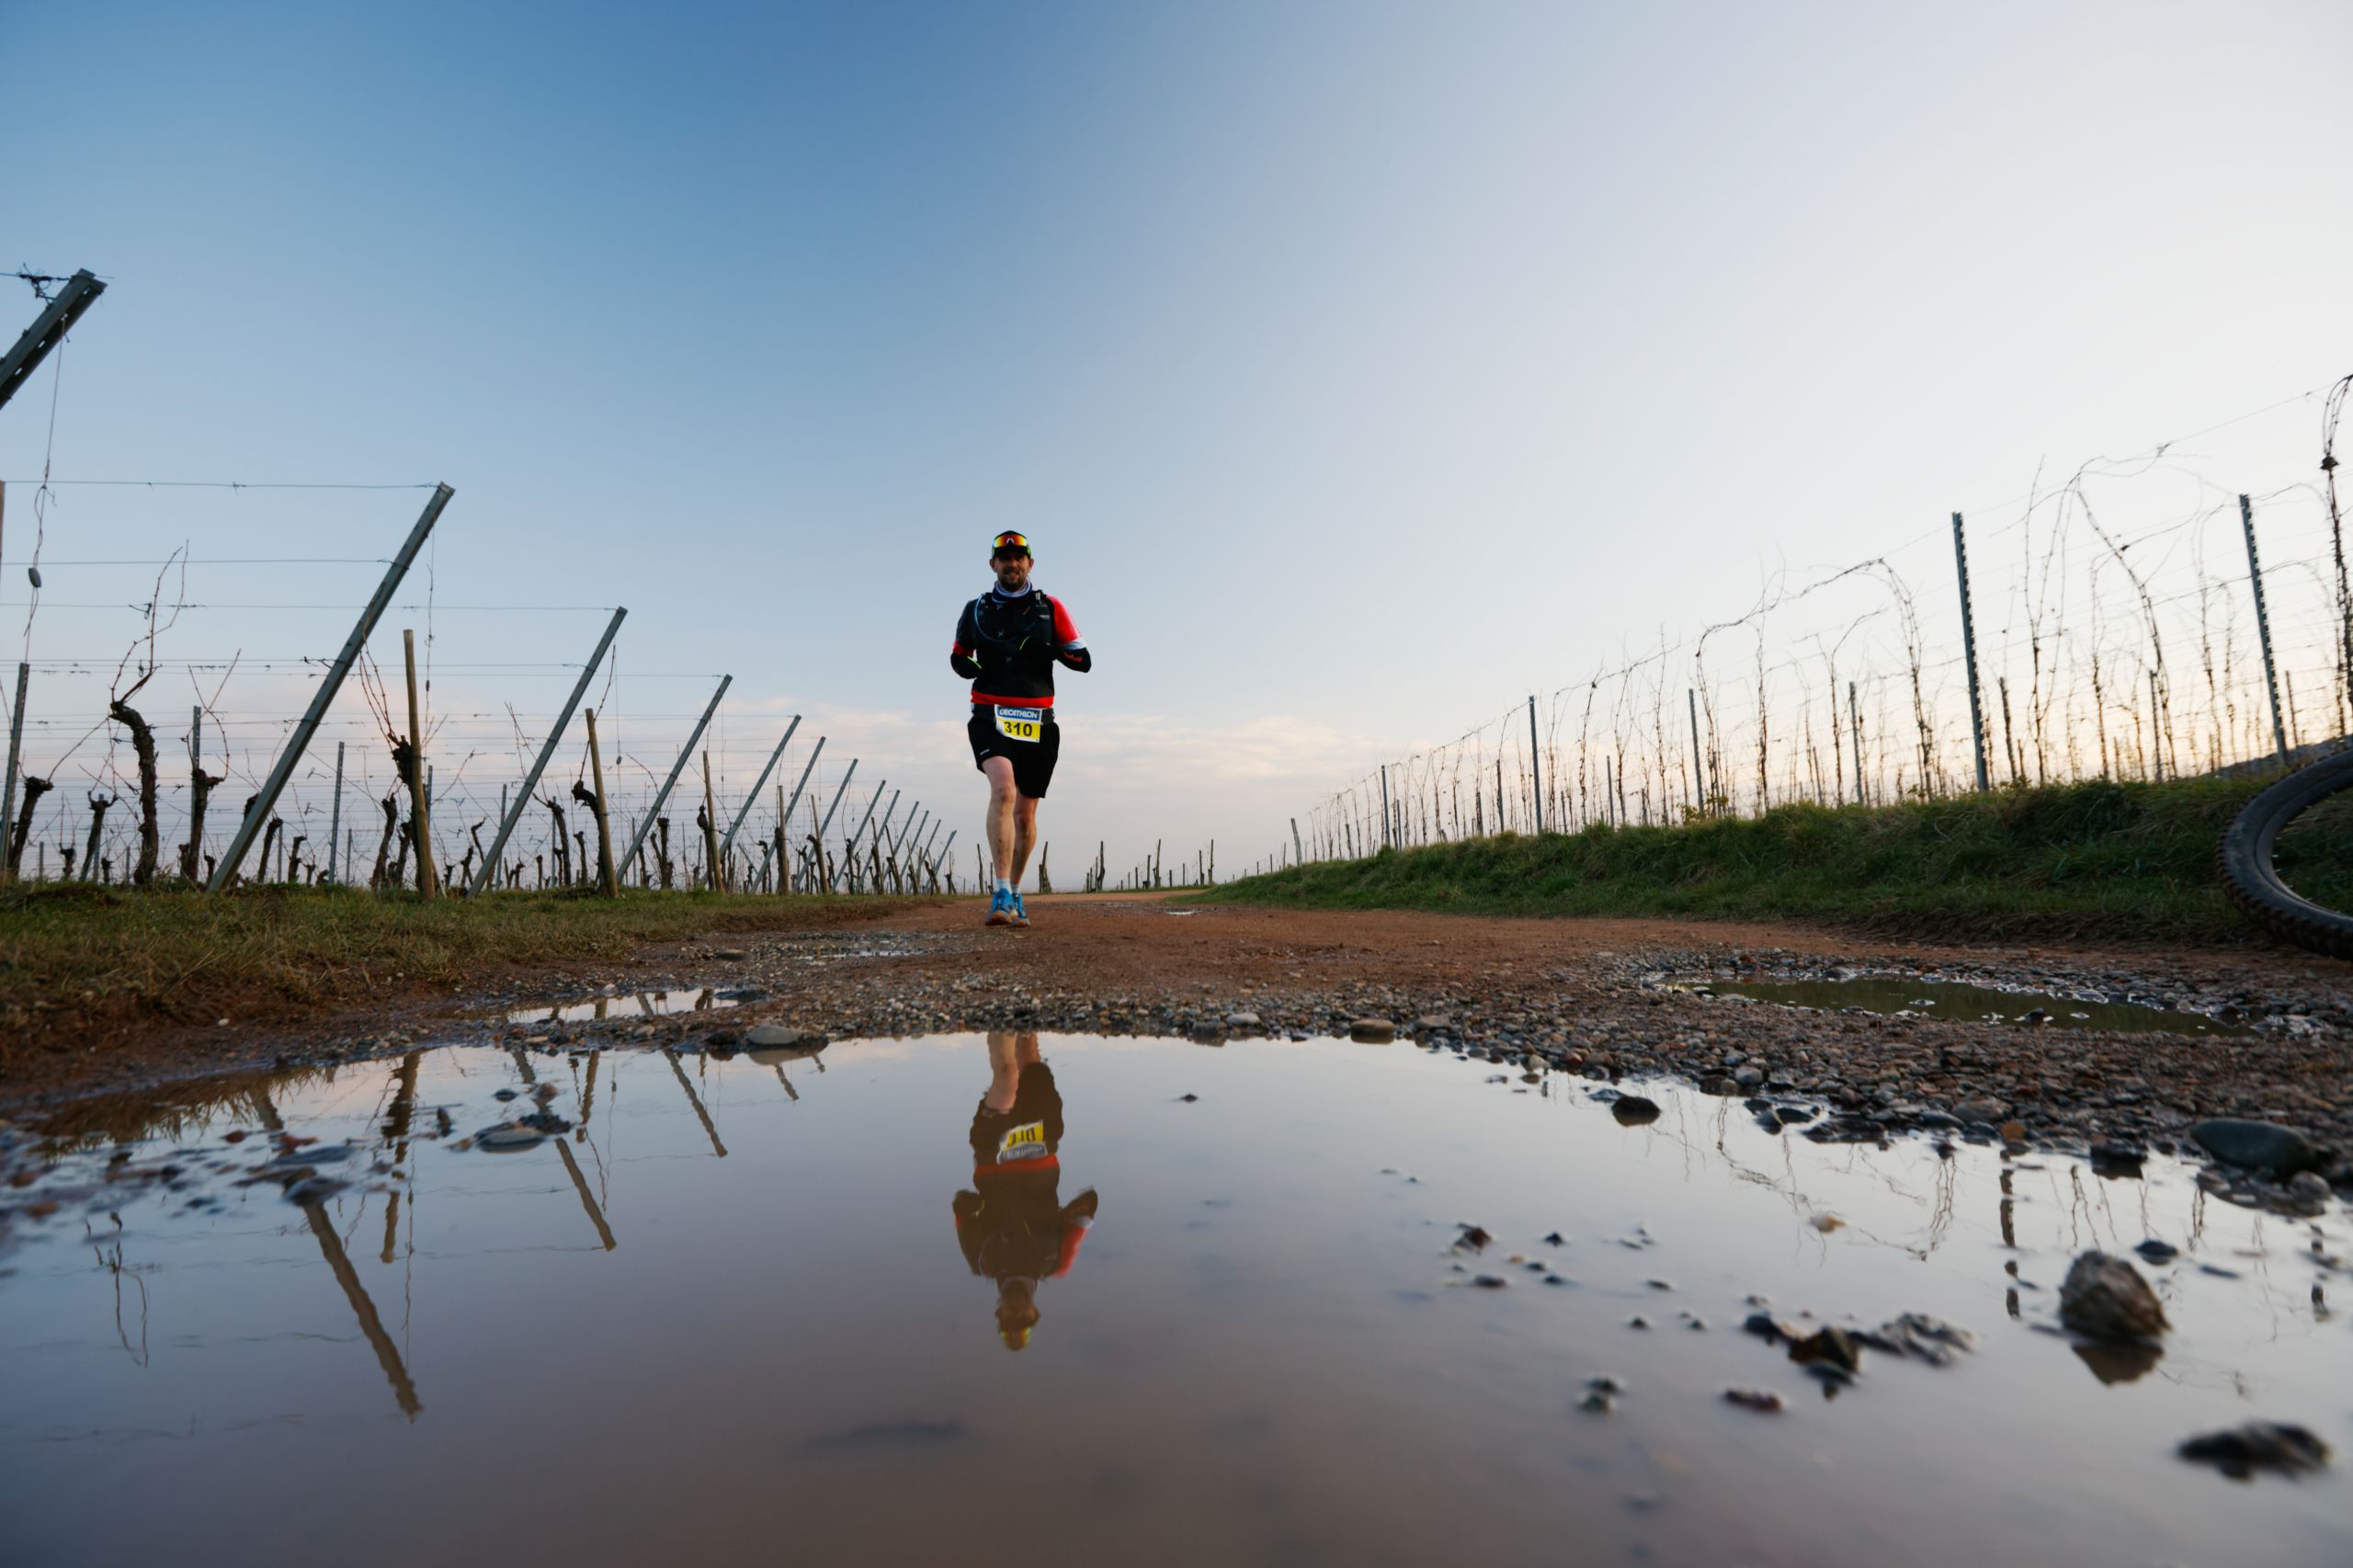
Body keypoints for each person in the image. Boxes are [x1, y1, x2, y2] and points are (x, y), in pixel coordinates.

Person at [949, 530, 1090, 927]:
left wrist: (1049, 650)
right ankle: (999, 890)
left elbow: (1084, 661)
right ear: (993, 564)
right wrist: (966, 668)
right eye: (1003, 558)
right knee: (1003, 789)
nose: (1012, 564)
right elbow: (959, 656)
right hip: (990, 715)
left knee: (1026, 816)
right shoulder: (975, 609)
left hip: (1039, 724)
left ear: (1030, 563)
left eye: (1019, 558)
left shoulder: (1051, 607)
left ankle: (1014, 890)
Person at [951, 1031, 1098, 1350]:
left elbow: (960, 1205)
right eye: (1024, 1318)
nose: (1016, 1311)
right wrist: (1072, 1218)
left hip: (992, 1152)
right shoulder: (1055, 1262)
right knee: (1031, 1063)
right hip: (1040, 1145)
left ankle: (1000, 1024)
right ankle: (1023, 1020)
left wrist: (982, 1205)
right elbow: (1089, 1207)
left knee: (1006, 1079)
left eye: (1010, 1318)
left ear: (999, 1312)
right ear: (1035, 1311)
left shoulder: (980, 1260)